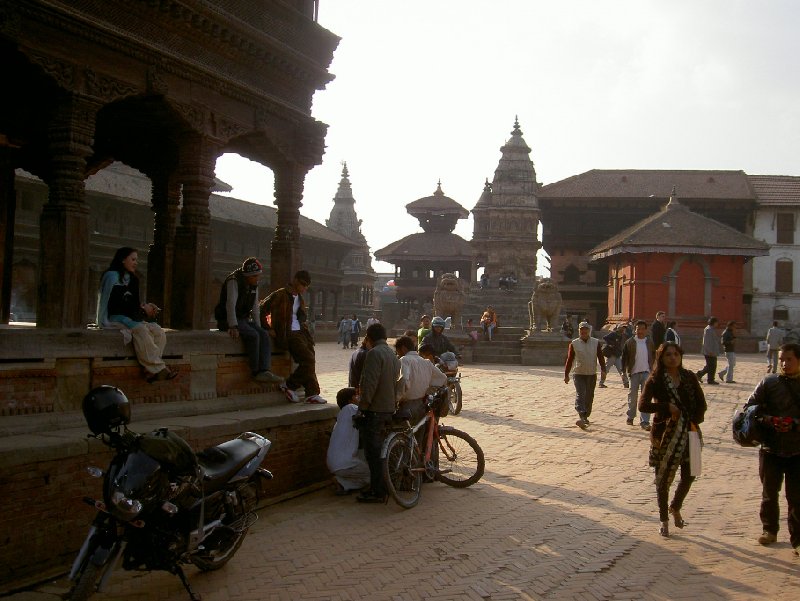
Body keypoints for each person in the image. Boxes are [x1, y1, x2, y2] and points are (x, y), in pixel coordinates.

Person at [638, 342, 707, 537]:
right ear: (661, 358)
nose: (672, 358)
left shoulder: (689, 377)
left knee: (691, 473)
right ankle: (663, 519)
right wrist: (666, 408)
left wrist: (691, 420)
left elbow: (702, 404)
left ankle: (675, 506)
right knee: (663, 479)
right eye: (668, 355)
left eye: (676, 354)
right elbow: (643, 406)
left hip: (690, 431)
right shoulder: (655, 380)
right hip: (665, 435)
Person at [743, 343, 800, 555]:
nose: (784, 363)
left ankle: (798, 539)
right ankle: (770, 530)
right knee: (769, 493)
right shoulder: (768, 383)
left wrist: (794, 423)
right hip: (771, 448)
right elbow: (749, 410)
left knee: (796, 497)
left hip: (797, 449)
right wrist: (769, 420)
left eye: (789, 359)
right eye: (782, 359)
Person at [96, 247, 177, 383]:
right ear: (122, 260)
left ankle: (149, 370)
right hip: (115, 318)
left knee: (158, 331)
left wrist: (146, 308)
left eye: (136, 260)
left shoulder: (134, 280)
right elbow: (110, 304)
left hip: (131, 318)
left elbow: (134, 305)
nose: (135, 263)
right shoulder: (111, 277)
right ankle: (160, 368)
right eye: (133, 259)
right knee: (141, 329)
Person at [260, 270, 326, 404]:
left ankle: (311, 393)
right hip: (288, 334)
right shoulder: (280, 294)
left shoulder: (300, 299)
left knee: (310, 359)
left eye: (306, 286)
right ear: (295, 280)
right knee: (308, 360)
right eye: (303, 284)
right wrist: (268, 328)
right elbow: (262, 309)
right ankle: (289, 385)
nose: (304, 288)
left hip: (302, 333)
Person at [214, 257, 283, 385]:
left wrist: (258, 326)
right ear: (248, 275)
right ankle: (256, 372)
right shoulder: (234, 281)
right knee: (253, 335)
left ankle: (265, 370)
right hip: (228, 319)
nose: (258, 279)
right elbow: (230, 304)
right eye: (255, 276)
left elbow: (255, 308)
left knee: (262, 334)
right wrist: (233, 325)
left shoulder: (253, 285)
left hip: (243, 319)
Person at [356, 323, 401, 503]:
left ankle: (377, 491)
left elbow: (369, 384)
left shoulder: (374, 353)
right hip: (388, 408)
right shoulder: (392, 354)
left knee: (373, 454)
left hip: (375, 409)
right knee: (383, 451)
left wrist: (362, 407)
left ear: (369, 337)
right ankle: (384, 487)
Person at [395, 335, 447, 428]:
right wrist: (427, 390)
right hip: (422, 405)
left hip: (407, 406)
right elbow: (442, 378)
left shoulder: (405, 360)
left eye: (398, 352)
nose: (398, 355)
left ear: (403, 349)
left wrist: (396, 399)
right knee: (419, 437)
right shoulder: (426, 362)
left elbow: (404, 380)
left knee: (404, 435)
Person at [326, 388, 370, 495]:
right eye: (357, 396)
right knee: (375, 472)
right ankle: (342, 481)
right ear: (351, 400)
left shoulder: (341, 415)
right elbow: (368, 414)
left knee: (367, 476)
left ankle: (342, 483)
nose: (359, 398)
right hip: (345, 464)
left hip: (334, 464)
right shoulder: (351, 408)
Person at [564, 321, 606, 430]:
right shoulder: (574, 343)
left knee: (589, 396)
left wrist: (603, 369)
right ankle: (581, 414)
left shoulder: (596, 343)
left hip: (591, 373)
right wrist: (566, 374)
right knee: (580, 394)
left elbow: (600, 357)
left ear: (589, 331)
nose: (583, 331)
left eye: (586, 329)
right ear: (579, 331)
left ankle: (586, 415)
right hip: (578, 373)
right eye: (581, 329)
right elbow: (570, 359)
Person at [622, 320, 655, 430]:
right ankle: (631, 416)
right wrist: (624, 372)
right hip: (634, 373)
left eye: (642, 329)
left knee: (646, 397)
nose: (640, 331)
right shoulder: (630, 342)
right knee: (633, 396)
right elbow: (624, 358)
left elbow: (653, 356)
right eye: (638, 329)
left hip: (646, 372)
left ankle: (645, 421)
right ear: (634, 330)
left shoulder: (649, 342)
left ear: (646, 330)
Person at [600, 324, 629, 389]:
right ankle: (601, 383)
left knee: (621, 369)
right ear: (618, 328)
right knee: (606, 369)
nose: (623, 329)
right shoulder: (613, 334)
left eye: (624, 328)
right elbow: (605, 338)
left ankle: (626, 383)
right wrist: (610, 344)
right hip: (611, 355)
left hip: (618, 355)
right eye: (622, 328)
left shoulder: (623, 335)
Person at [695, 317, 722, 385]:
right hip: (709, 352)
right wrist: (710, 351)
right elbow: (707, 342)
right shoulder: (708, 330)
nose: (717, 324)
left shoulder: (711, 329)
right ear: (714, 322)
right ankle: (709, 379)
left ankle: (700, 375)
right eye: (716, 322)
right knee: (711, 365)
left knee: (710, 365)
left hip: (712, 351)